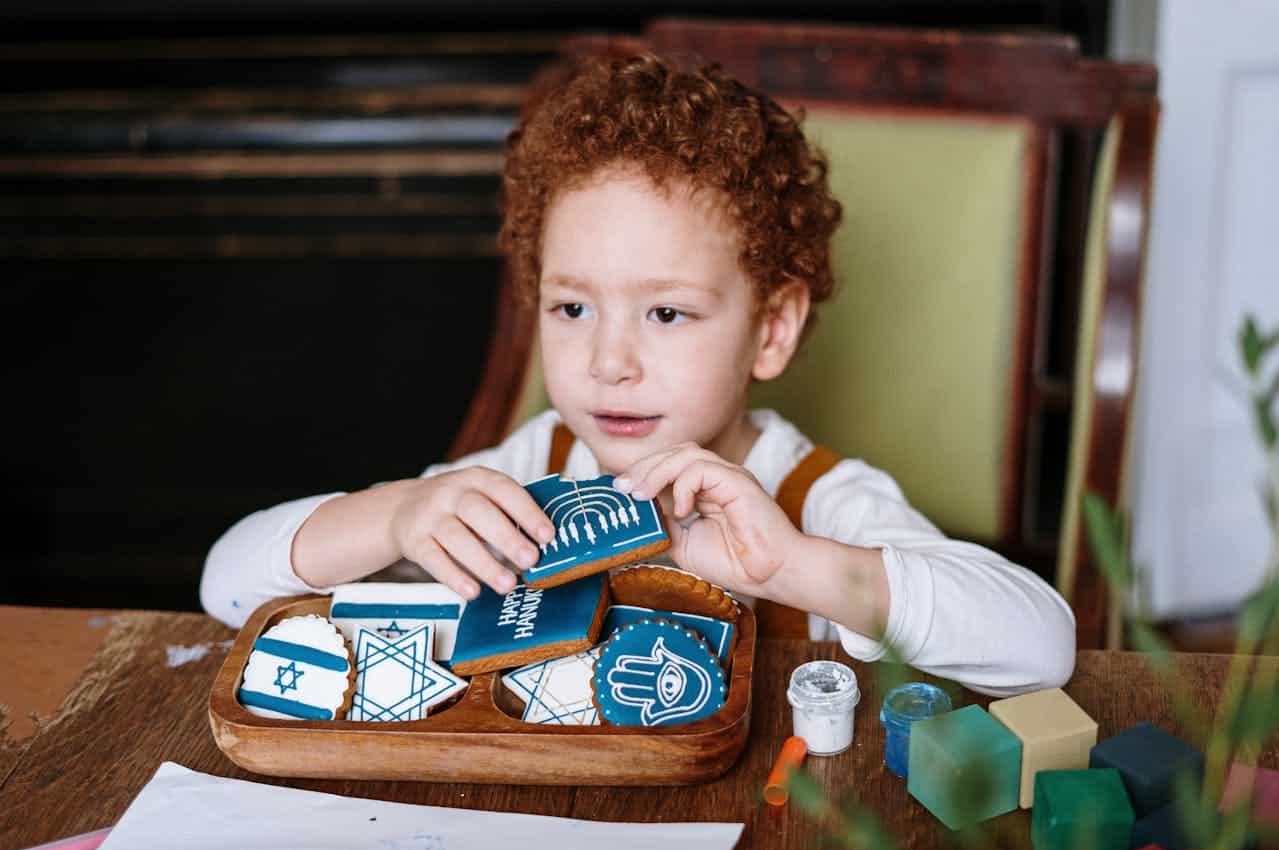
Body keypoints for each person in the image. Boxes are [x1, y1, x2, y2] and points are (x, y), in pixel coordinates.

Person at [201, 54, 1075, 697]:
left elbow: (1043, 645)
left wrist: (793, 567)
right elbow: (224, 584)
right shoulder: (525, 472)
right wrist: (397, 513)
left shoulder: (812, 498)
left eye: (665, 313)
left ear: (771, 329)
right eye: (570, 307)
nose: (606, 363)